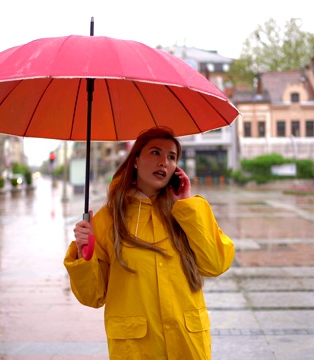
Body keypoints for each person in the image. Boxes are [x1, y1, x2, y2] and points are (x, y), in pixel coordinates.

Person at [64, 127, 235, 359]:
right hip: (136, 349)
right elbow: (92, 296)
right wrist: (84, 255)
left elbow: (215, 264)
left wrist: (186, 206)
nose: (164, 162)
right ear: (135, 160)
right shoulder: (108, 219)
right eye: (155, 153)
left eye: (172, 157)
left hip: (188, 345)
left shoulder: (190, 211)